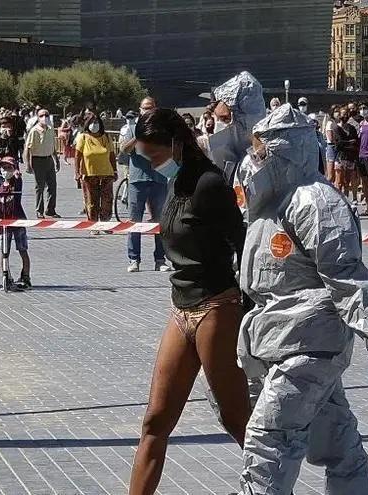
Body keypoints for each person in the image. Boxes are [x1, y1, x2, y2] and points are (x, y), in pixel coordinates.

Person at [235, 104, 368, 494]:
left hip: (310, 342)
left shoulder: (316, 202)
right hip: (280, 337)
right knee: (336, 441)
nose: (253, 160)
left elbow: (345, 273)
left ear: (286, 151)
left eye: (261, 151)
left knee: (269, 438)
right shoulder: (269, 204)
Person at [129, 108, 249, 495]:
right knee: (155, 421)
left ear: (176, 144)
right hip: (180, 308)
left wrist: (248, 302)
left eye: (154, 155)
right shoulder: (176, 182)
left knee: (236, 418)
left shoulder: (210, 184)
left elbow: (243, 241)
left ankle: (273, 484)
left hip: (216, 306)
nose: (150, 164)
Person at [118, 99, 171, 272]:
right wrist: (137, 137)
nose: (147, 111)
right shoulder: (132, 127)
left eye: (150, 108)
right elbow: (124, 150)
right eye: (144, 109)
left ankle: (160, 260)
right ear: (140, 110)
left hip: (159, 179)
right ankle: (134, 259)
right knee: (135, 221)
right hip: (137, 179)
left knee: (159, 221)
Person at [0, 156, 31, 290]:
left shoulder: (16, 183)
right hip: (3, 224)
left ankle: (26, 276)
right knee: (4, 251)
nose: (6, 170)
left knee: (22, 250)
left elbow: (18, 179)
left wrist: (17, 174)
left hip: (17, 220)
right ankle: (5, 276)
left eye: (9, 168)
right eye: (4, 168)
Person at [75, 113, 117, 227]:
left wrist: (115, 171)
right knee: (91, 202)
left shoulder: (106, 137)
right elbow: (78, 156)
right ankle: (93, 225)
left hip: (106, 174)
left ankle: (105, 224)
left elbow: (112, 155)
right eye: (92, 122)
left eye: (96, 122)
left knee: (107, 201)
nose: (94, 125)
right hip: (89, 175)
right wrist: (77, 172)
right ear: (87, 124)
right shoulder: (83, 137)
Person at [24, 108, 60, 218]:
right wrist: (28, 165)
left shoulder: (50, 129)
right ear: (37, 117)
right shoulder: (34, 131)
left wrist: (57, 160)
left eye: (46, 115)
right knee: (40, 187)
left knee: (52, 186)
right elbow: (28, 149)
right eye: (42, 115)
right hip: (37, 160)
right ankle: (39, 210)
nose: (44, 117)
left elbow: (52, 146)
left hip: (49, 159)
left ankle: (50, 210)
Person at [332, 109, 359, 196]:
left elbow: (356, 141)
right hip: (340, 157)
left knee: (347, 181)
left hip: (350, 157)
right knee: (339, 181)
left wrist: (347, 143)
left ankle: (347, 199)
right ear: (339, 116)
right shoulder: (336, 128)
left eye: (347, 114)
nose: (345, 116)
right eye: (343, 114)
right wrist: (350, 142)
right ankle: (339, 198)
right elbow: (338, 144)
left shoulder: (352, 128)